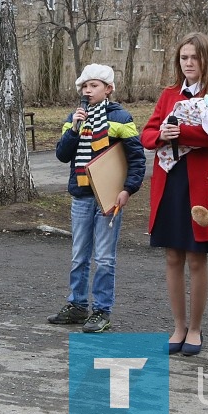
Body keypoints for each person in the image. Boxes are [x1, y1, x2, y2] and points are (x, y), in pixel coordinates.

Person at [140, 32, 208, 356]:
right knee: (172, 257)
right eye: (184, 58)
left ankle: (195, 329)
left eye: (194, 58)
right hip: (171, 182)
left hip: (201, 184)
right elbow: (147, 133)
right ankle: (178, 326)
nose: (189, 63)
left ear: (206, 59)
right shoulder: (169, 94)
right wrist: (162, 134)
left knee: (196, 259)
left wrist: (184, 131)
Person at [47, 64, 146, 332]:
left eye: (94, 86)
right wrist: (74, 129)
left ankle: (102, 310)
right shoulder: (75, 117)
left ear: (108, 89)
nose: (87, 90)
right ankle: (77, 305)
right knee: (79, 255)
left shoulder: (121, 118)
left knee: (104, 257)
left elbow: (136, 158)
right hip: (81, 196)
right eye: (84, 86)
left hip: (108, 198)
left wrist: (128, 189)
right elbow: (62, 154)